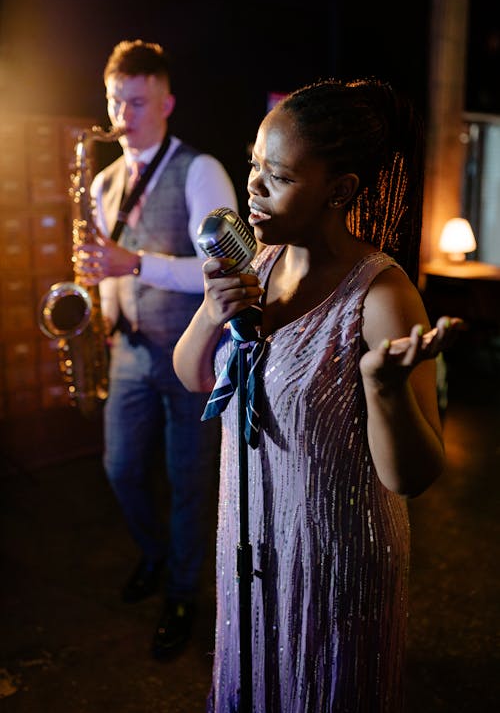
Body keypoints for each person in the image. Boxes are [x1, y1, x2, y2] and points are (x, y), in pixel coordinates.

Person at [173, 78, 463, 711]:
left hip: (334, 560)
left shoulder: (382, 296)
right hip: (250, 542)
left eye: (275, 176)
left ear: (341, 191)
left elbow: (411, 476)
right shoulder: (259, 263)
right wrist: (208, 312)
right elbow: (196, 377)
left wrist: (382, 389)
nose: (251, 186)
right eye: (253, 165)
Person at [73, 39, 238, 659]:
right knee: (120, 469)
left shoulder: (201, 170)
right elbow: (110, 269)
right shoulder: (106, 180)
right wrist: (103, 297)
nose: (123, 116)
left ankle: (182, 592)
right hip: (131, 350)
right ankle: (157, 554)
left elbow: (224, 268)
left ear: (166, 101)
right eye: (115, 100)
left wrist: (134, 263)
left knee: (189, 479)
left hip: (193, 354)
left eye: (137, 102)